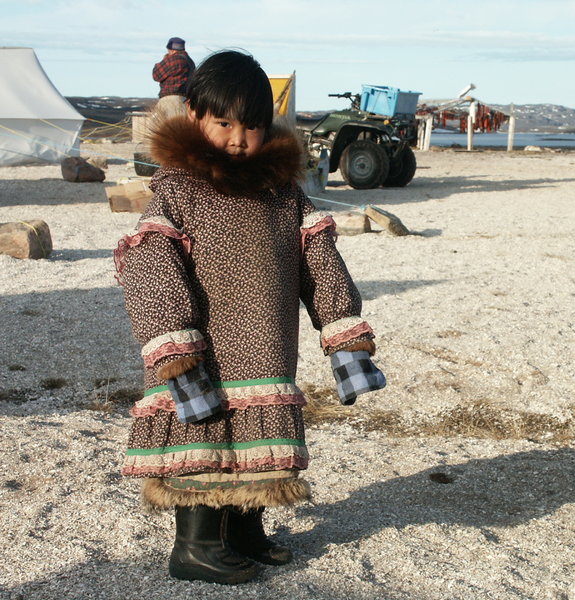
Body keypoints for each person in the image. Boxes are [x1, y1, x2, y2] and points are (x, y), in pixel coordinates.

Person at [115, 49, 383, 584]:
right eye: (224, 123)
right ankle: (194, 546)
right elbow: (151, 265)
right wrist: (173, 344)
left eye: (253, 126)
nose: (239, 138)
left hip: (265, 342)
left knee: (255, 436)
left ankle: (243, 531)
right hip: (202, 346)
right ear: (194, 116)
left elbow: (319, 259)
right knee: (207, 435)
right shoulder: (178, 191)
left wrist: (342, 331)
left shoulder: (283, 194)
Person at [151, 37, 195, 119]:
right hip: (184, 100)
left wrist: (165, 59)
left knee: (159, 128)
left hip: (170, 100)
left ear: (172, 49)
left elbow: (156, 75)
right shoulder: (190, 62)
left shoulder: (172, 59)